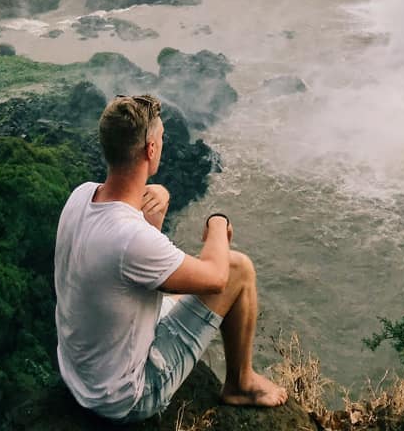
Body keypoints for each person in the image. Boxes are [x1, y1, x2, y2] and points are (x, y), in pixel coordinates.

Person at [54, 93, 288, 423]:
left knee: (181, 287)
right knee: (239, 269)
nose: (162, 144)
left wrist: (159, 195)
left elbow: (127, 264)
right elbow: (217, 277)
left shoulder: (81, 196)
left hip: (79, 372)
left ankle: (240, 380)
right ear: (150, 149)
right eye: (161, 138)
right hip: (124, 397)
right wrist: (217, 223)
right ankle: (240, 383)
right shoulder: (131, 240)